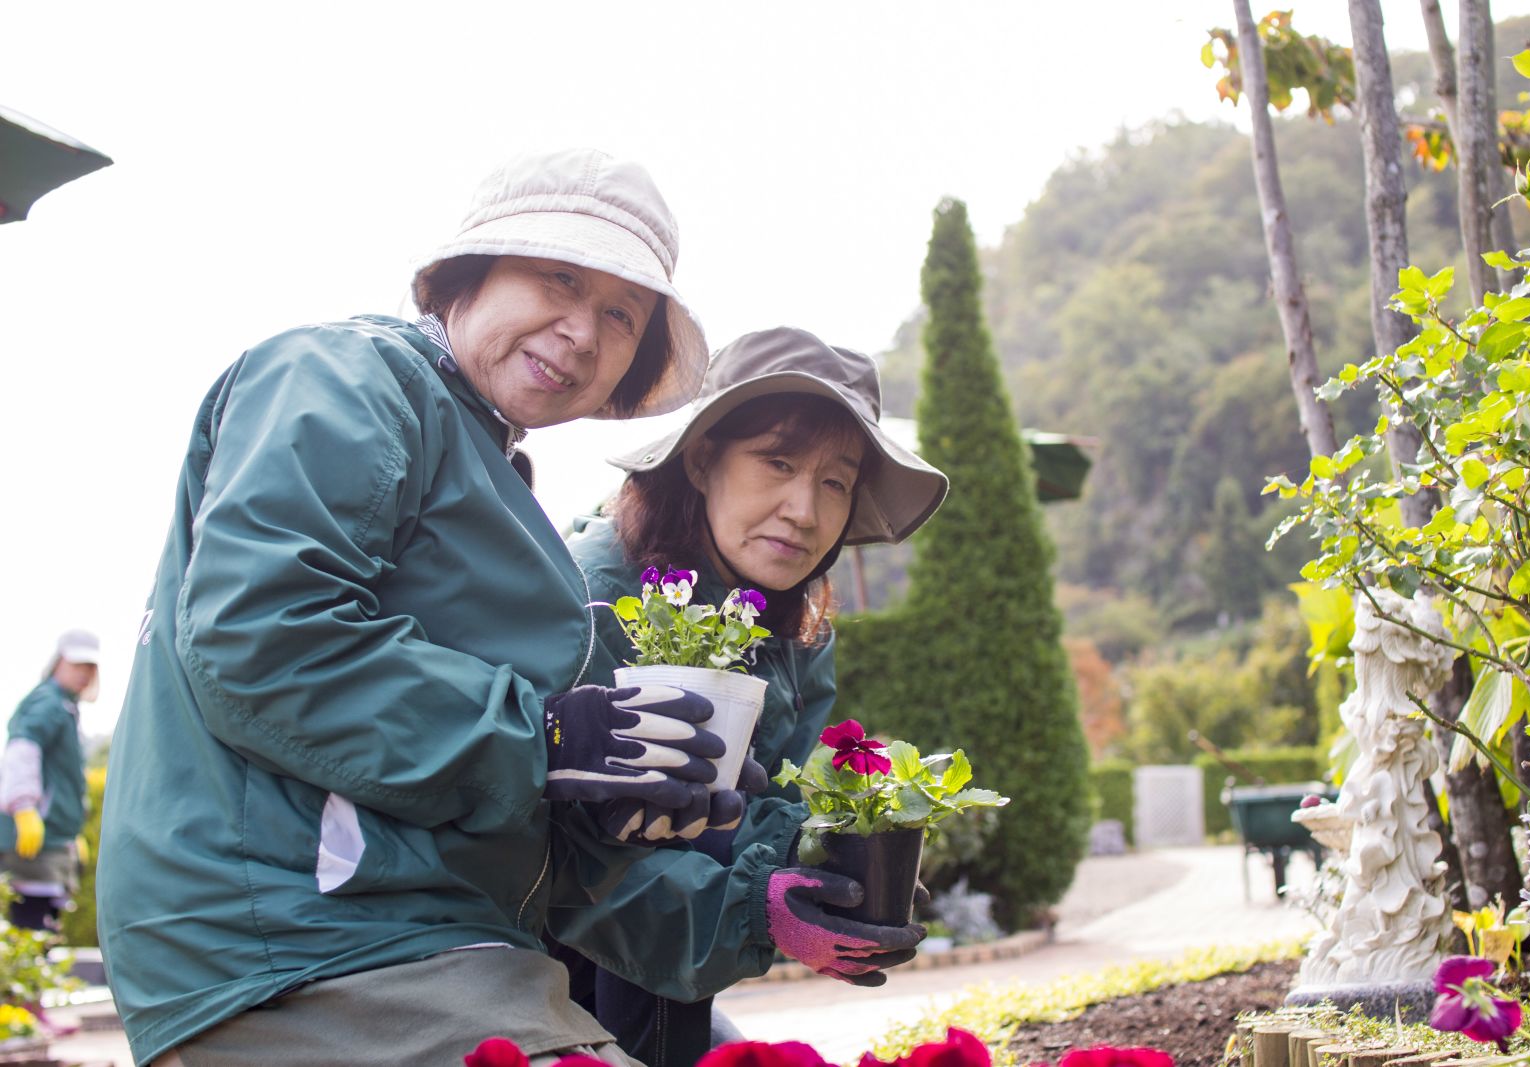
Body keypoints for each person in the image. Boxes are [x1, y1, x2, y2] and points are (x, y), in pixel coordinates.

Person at [96, 148, 760, 1067]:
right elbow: (263, 638)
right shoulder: (344, 373)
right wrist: (549, 741)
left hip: (434, 949)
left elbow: (528, 840)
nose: (581, 330)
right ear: (467, 275)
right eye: (558, 279)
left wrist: (760, 900)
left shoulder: (492, 467)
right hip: (298, 945)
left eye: (621, 314)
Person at [549, 326, 950, 1067]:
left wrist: (829, 870)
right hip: (537, 959)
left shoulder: (796, 627)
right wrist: (753, 910)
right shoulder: (590, 600)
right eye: (778, 462)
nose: (804, 508)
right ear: (702, 460)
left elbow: (776, 803)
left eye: (836, 480)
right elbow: (569, 868)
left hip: (671, 967)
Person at [1, 628, 98, 931]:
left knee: (45, 923)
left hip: (54, 837)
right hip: (31, 838)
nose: (84, 673)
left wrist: (72, 831)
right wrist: (23, 806)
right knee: (29, 926)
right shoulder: (48, 703)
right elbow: (22, 750)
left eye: (90, 667)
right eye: (77, 664)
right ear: (58, 662)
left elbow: (65, 779)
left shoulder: (67, 708)